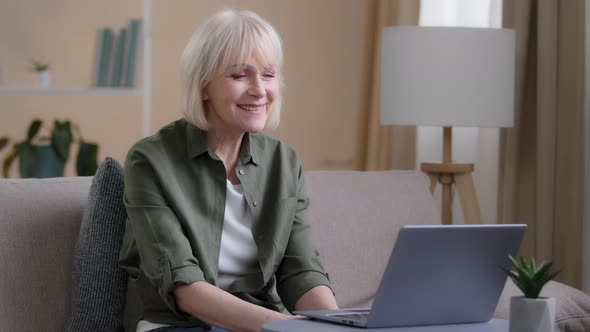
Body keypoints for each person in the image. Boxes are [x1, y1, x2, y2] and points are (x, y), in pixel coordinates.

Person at [118, 9, 338, 332]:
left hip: (261, 324)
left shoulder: (284, 163)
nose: (259, 90)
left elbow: (302, 273)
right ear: (203, 85)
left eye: (268, 74)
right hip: (176, 324)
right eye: (239, 76)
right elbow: (186, 289)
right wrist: (290, 329)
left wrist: (338, 325)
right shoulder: (150, 161)